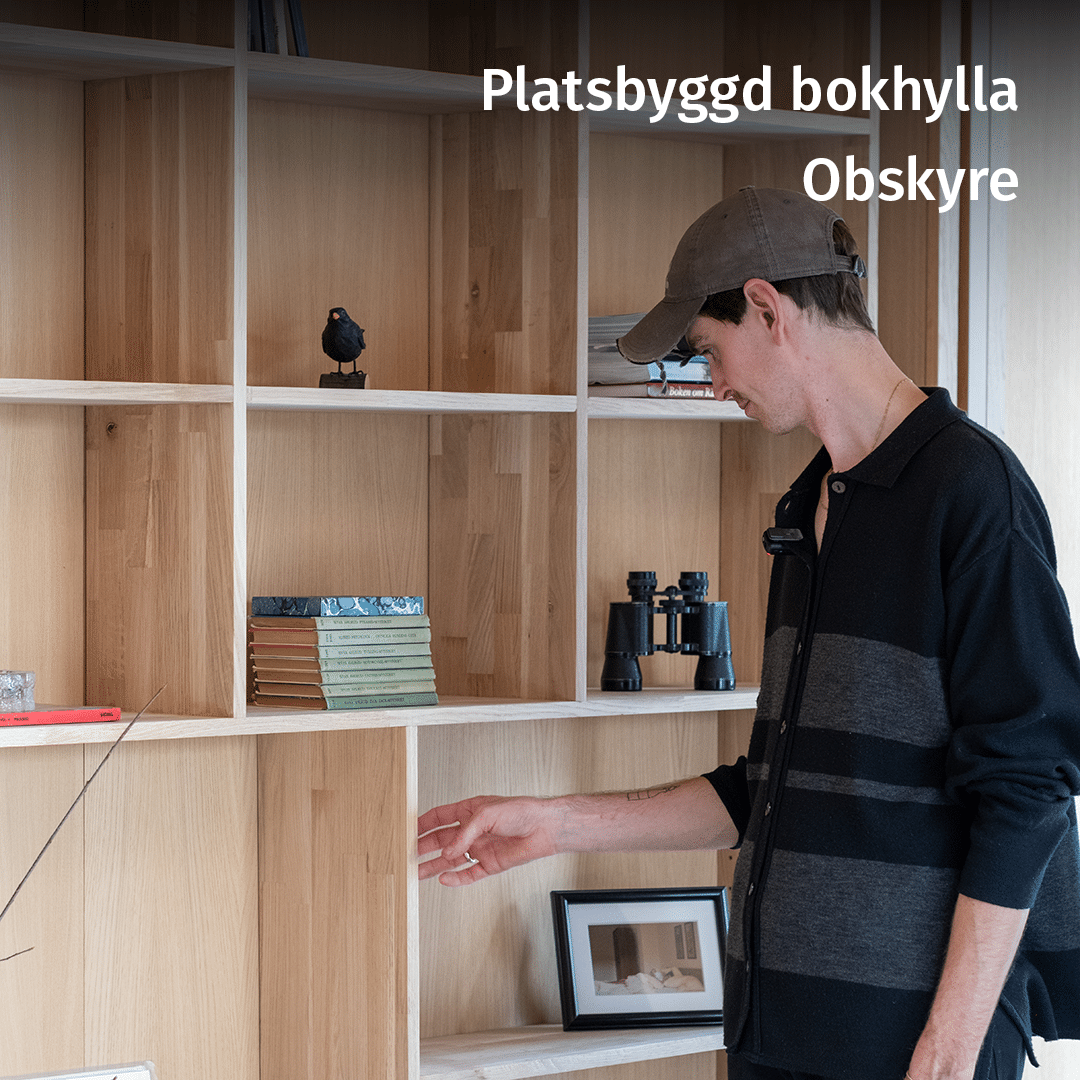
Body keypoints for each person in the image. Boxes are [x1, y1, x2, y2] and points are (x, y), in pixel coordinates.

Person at [418, 187, 1080, 1080]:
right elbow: (772, 789)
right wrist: (555, 822)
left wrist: (952, 1047)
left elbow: (1029, 789)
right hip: (775, 1036)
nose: (715, 382)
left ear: (768, 308)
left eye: (708, 349)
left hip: (913, 1050)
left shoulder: (972, 492)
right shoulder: (808, 508)